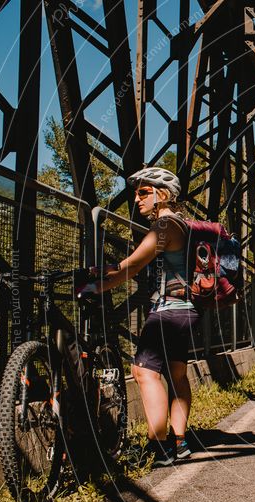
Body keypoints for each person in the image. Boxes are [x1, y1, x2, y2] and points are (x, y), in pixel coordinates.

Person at [79, 166, 199, 467]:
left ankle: (158, 447)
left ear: (163, 194)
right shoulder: (182, 226)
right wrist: (104, 273)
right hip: (187, 312)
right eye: (136, 193)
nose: (136, 199)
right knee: (178, 376)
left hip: (168, 313)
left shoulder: (164, 227)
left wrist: (96, 285)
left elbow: (130, 266)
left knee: (145, 373)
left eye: (143, 192)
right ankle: (180, 442)